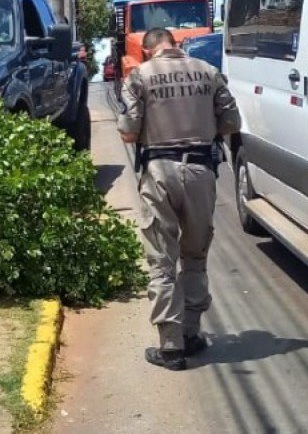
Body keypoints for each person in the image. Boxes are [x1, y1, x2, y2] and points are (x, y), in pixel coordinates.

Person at [117, 28, 241, 371]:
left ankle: (171, 348)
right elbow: (231, 122)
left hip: (158, 173)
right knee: (195, 256)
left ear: (147, 51)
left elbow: (128, 132)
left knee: (162, 261)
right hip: (201, 172)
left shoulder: (139, 77)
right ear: (175, 45)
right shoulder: (208, 71)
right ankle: (191, 334)